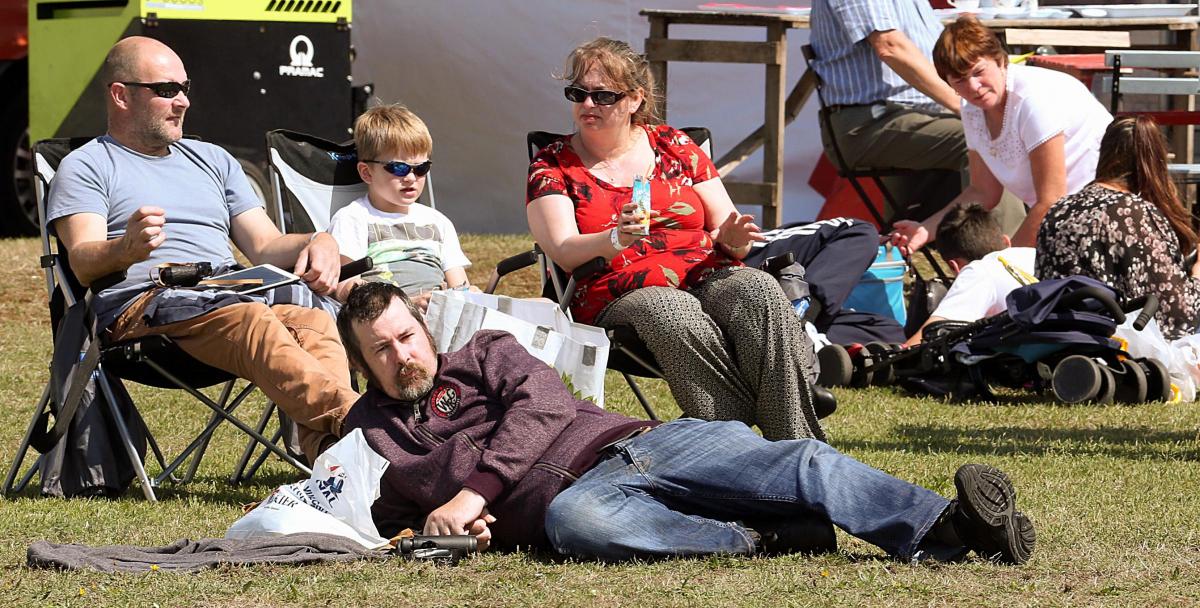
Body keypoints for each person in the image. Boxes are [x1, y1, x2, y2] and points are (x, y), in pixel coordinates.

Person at [336, 281, 1037, 564]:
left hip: (643, 443)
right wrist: (447, 530)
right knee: (579, 524)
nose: (402, 356)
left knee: (799, 459)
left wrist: (474, 494)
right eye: (382, 350)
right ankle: (762, 538)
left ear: (423, 326)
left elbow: (544, 405)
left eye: (406, 337)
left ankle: (947, 529)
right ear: (364, 363)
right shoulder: (377, 432)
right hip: (578, 501)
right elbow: (389, 515)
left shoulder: (487, 350)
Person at [45, 37, 358, 461]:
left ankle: (336, 460)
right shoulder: (86, 165)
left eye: (185, 88)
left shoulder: (213, 160)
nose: (183, 102)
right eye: (166, 90)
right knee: (254, 320)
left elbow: (264, 245)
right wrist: (125, 249)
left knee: (313, 322)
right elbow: (82, 263)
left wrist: (318, 239)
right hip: (145, 309)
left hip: (229, 295)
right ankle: (366, 430)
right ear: (120, 95)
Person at [525, 37, 824, 441]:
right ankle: (736, 443)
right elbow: (561, 250)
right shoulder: (553, 164)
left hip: (704, 271)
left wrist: (734, 238)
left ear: (634, 99)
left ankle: (799, 447)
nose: (588, 104)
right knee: (670, 308)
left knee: (758, 288)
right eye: (578, 93)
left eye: (602, 95)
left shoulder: (676, 146)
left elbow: (728, 234)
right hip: (617, 288)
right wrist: (614, 239)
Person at [892, 16, 1112, 253]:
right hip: (1067, 219)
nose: (974, 87)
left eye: (978, 72)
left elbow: (1051, 201)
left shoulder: (1032, 101)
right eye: (960, 80)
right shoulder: (972, 110)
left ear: (1000, 61)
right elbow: (983, 192)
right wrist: (925, 230)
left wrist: (1005, 264)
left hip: (1108, 217)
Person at [1037, 116, 1200, 340]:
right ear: (1155, 161)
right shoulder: (1135, 214)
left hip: (1062, 343)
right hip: (1118, 350)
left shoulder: (1058, 211)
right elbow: (1179, 317)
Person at [809, 0, 969, 221]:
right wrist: (966, 105)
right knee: (985, 137)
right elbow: (889, 46)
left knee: (1009, 126)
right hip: (869, 122)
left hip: (907, 115)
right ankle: (1007, 250)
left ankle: (1002, 245)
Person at [328, 104, 473, 309]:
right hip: (385, 317)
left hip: (440, 313)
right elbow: (345, 288)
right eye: (398, 168)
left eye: (421, 168)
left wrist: (468, 295)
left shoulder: (438, 221)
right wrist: (408, 304)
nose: (411, 178)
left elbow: (459, 285)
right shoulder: (353, 218)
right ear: (367, 173)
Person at [905, 203, 1035, 346]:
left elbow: (930, 334)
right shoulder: (1033, 254)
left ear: (955, 266)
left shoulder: (979, 271)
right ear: (1006, 241)